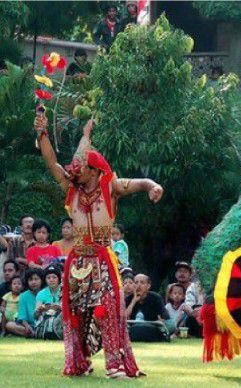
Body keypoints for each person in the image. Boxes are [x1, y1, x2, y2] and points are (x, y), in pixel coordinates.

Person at [35, 113, 164, 377]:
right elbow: (51, 163)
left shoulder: (111, 188)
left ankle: (114, 364)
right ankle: (80, 362)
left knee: (108, 308)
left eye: (81, 166)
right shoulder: (71, 189)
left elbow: (139, 182)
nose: (75, 170)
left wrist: (153, 186)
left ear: (94, 170)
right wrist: (42, 133)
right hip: (77, 261)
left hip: (103, 260)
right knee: (77, 313)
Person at [125, 274, 170, 342]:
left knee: (171, 324)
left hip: (152, 327)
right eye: (136, 282)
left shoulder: (156, 297)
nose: (138, 285)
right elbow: (123, 318)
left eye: (142, 283)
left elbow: (163, 318)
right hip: (133, 328)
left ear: (148, 286)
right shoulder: (129, 299)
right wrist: (133, 301)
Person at [6, 268, 43, 337]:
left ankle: (36, 334)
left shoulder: (46, 292)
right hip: (30, 326)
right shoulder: (23, 296)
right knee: (9, 325)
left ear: (41, 280)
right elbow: (22, 317)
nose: (33, 282)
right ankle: (34, 334)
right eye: (30, 280)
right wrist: (27, 326)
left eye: (36, 279)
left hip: (45, 325)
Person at [34, 266, 64, 339]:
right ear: (45, 280)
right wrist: (40, 309)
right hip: (45, 321)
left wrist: (59, 308)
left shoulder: (64, 291)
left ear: (59, 279)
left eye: (54, 277)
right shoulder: (41, 293)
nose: (51, 280)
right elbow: (35, 315)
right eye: (48, 278)